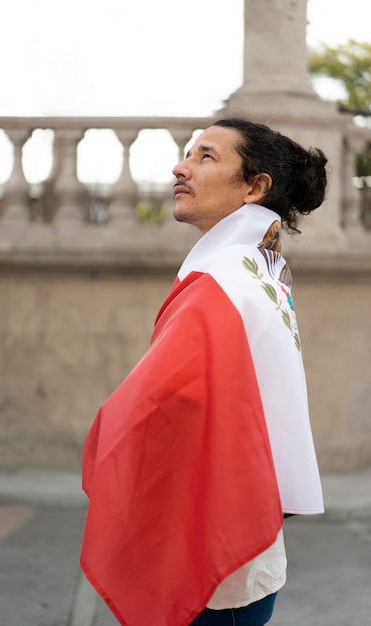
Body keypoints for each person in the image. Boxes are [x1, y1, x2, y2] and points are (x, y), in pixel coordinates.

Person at [80, 117, 327, 626]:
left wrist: (106, 442)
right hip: (242, 542)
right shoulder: (259, 269)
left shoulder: (224, 278)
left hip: (214, 554)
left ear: (255, 188)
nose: (181, 167)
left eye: (206, 157)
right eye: (188, 154)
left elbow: (160, 399)